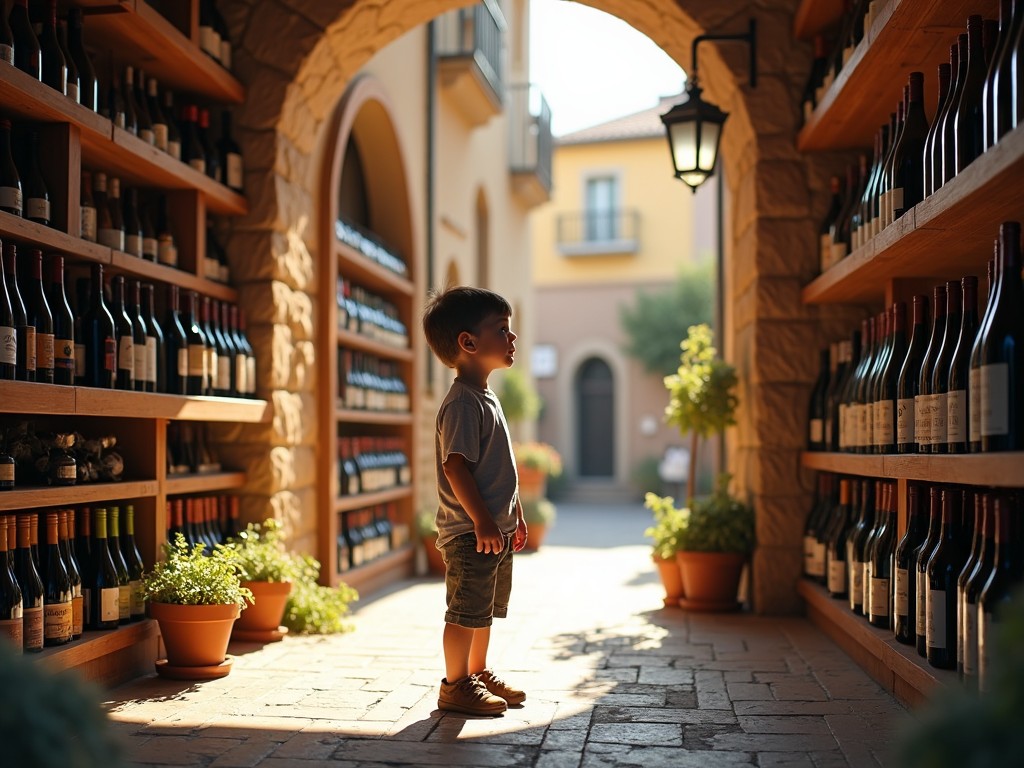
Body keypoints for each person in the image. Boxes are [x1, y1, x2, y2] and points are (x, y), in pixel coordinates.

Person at [422, 285, 529, 717]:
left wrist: (513, 515)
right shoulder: (463, 403)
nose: (512, 338)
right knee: (465, 610)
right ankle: (455, 684)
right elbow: (456, 468)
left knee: (484, 610)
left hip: (493, 530)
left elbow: (499, 467)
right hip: (471, 533)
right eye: (502, 329)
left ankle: (478, 673)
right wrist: (483, 522)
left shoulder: (487, 396)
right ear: (468, 342)